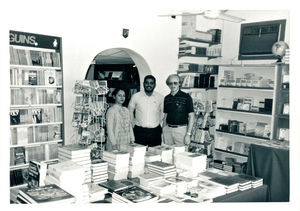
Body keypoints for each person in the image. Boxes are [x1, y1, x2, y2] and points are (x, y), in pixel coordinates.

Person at [128, 75, 164, 147]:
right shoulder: (136, 96)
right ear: (143, 83)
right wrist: (133, 124)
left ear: (155, 85)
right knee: (138, 154)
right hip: (139, 131)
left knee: (155, 154)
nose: (149, 85)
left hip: (155, 132)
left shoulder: (160, 97)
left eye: (151, 83)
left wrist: (159, 124)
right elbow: (130, 111)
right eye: (147, 83)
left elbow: (163, 112)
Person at [163, 74, 195, 146]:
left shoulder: (186, 97)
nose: (173, 85)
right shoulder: (167, 98)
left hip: (181, 130)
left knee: (181, 154)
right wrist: (163, 130)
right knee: (168, 154)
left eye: (175, 83)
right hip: (168, 130)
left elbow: (191, 116)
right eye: (170, 83)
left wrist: (188, 134)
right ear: (168, 85)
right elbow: (165, 115)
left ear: (179, 83)